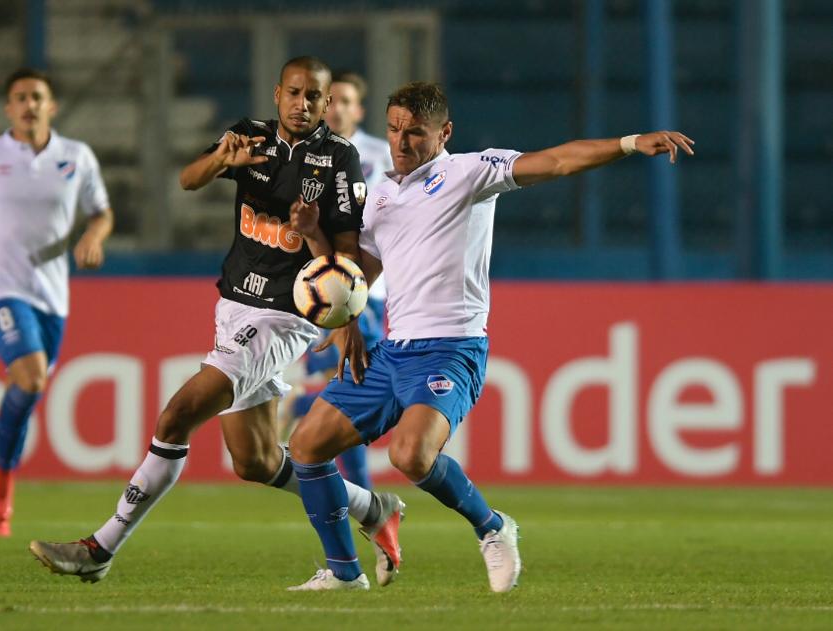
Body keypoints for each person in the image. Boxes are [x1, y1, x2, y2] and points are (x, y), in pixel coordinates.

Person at [287, 81, 695, 592]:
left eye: (415, 132)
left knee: (410, 455)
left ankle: (492, 526)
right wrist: (317, 245)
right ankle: (345, 572)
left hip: (450, 348)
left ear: (444, 133)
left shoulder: (470, 173)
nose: (401, 142)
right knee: (306, 446)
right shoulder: (381, 196)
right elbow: (359, 276)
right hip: (392, 350)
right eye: (393, 130)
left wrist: (630, 143)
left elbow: (557, 162)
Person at [29, 56, 405, 587]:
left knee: (176, 417)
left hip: (284, 316)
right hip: (233, 306)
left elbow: (347, 257)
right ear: (277, 94)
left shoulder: (339, 159)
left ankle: (100, 547)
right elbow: (188, 179)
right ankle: (372, 507)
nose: (302, 104)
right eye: (294, 93)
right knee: (254, 460)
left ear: (325, 103)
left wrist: (333, 288)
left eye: (313, 97)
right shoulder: (250, 136)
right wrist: (220, 160)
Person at [0, 67, 114, 537]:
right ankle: (4, 490)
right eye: (21, 98)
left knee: (28, 391)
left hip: (53, 295)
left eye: (37, 97)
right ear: (8, 109)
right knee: (30, 378)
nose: (30, 105)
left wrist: (94, 236)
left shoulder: (76, 156)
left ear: (52, 106)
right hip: (0, 287)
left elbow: (102, 212)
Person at [284, 71, 395, 491]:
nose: (337, 109)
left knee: (357, 380)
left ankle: (296, 404)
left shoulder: (382, 155)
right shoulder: (303, 154)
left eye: (347, 101)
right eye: (332, 101)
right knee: (349, 384)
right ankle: (364, 494)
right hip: (317, 284)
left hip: (368, 286)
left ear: (359, 110)